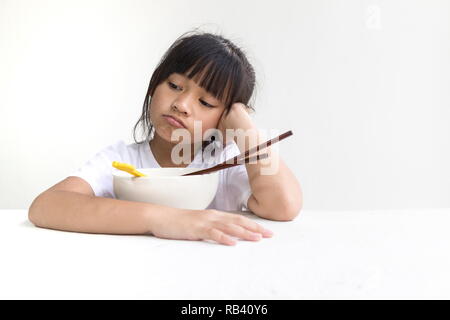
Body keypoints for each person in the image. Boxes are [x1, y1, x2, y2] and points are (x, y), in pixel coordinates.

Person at [28, 30, 303, 246]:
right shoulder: (121, 160)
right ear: (154, 86)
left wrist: (244, 127)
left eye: (206, 102)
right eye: (174, 86)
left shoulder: (226, 163)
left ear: (224, 118)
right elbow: (46, 206)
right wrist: (167, 220)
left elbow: (284, 205)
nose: (181, 104)